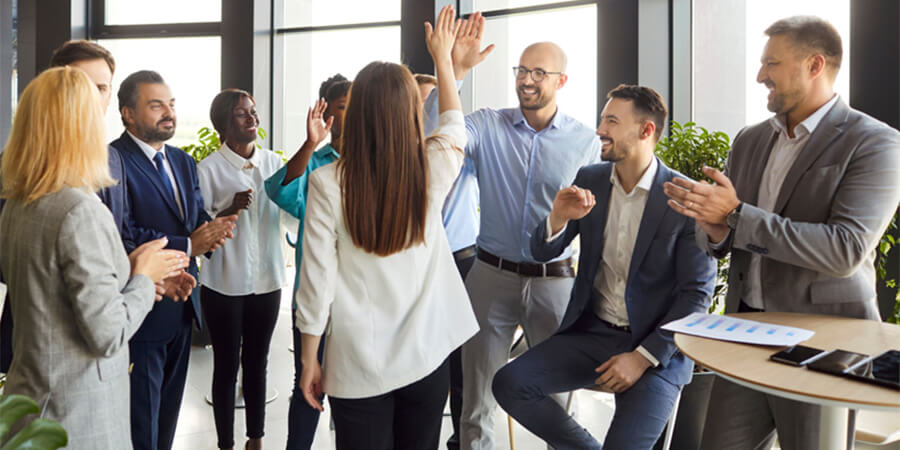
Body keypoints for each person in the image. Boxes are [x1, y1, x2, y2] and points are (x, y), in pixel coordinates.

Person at [662, 16, 900, 450]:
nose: (759, 76)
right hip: (746, 333)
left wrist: (735, 215)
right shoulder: (749, 140)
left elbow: (845, 250)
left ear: (814, 65)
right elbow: (727, 237)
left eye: (771, 63)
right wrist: (716, 230)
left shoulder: (876, 143)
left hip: (825, 344)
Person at [492, 85, 716, 450]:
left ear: (646, 131)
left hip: (655, 351)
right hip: (593, 334)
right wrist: (558, 218)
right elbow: (541, 250)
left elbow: (697, 296)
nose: (599, 129)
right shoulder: (590, 179)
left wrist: (642, 358)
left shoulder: (684, 197)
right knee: (509, 383)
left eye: (611, 120)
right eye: (601, 118)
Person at [295, 6, 478, 449]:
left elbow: (316, 282)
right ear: (412, 113)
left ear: (355, 115)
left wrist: (308, 359)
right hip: (428, 354)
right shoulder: (432, 166)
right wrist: (446, 64)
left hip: (360, 363)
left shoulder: (326, 182)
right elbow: (454, 125)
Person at [423, 14, 602, 450]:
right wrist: (456, 71)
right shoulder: (487, 124)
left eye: (539, 72)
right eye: (522, 70)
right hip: (490, 277)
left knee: (558, 406)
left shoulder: (586, 141)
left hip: (556, 280)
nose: (527, 80)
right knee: (476, 403)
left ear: (562, 80)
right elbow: (437, 131)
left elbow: (596, 220)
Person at [0, 66, 189, 450]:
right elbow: (108, 334)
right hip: (76, 414)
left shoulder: (20, 202)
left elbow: (53, 294)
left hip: (32, 401)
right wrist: (140, 279)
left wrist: (140, 275)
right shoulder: (79, 209)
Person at [111, 70, 238, 450]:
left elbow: (194, 215)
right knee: (141, 423)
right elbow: (124, 234)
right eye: (156, 105)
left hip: (184, 308)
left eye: (171, 104)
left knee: (167, 418)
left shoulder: (181, 161)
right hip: (144, 308)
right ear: (128, 114)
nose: (168, 113)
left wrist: (212, 231)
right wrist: (188, 245)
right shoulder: (114, 161)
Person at [197, 89, 286, 450]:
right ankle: (225, 443)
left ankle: (256, 439)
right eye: (241, 114)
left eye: (253, 112)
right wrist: (227, 208)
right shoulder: (208, 170)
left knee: (258, 361)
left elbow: (291, 212)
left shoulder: (273, 165)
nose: (252, 119)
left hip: (268, 281)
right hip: (223, 284)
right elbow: (197, 230)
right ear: (223, 124)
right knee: (226, 365)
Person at [264, 74, 350, 450]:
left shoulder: (380, 164)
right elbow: (279, 191)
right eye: (344, 107)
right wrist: (310, 142)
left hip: (358, 305)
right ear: (327, 112)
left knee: (354, 401)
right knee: (307, 394)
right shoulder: (314, 165)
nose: (354, 114)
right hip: (315, 304)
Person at [416, 70, 480, 450]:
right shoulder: (404, 156)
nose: (431, 110)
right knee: (424, 362)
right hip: (418, 267)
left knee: (462, 366)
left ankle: (459, 440)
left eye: (437, 101)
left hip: (463, 261)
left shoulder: (463, 148)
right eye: (425, 104)